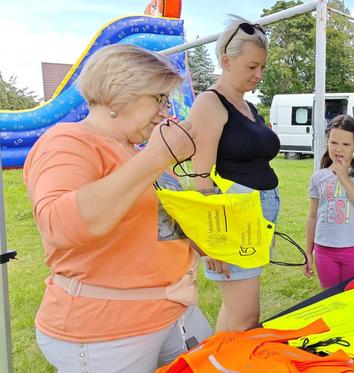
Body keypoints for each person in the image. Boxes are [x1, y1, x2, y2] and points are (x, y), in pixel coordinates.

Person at [23, 44, 211, 372]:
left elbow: (153, 221)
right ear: (116, 94)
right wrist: (158, 157)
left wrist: (204, 241)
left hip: (173, 312)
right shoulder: (68, 142)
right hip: (107, 331)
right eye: (159, 99)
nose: (166, 112)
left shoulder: (137, 151)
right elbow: (58, 225)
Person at [188, 16, 280, 332]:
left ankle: (216, 364)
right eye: (252, 67)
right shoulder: (210, 104)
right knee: (246, 318)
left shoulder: (248, 107)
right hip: (232, 222)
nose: (259, 75)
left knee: (234, 313)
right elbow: (201, 179)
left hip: (255, 217)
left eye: (262, 68)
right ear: (227, 61)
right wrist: (212, 243)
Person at [304, 115, 354, 289]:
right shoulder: (318, 177)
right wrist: (308, 251)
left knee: (352, 298)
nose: (339, 149)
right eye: (333, 143)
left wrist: (344, 178)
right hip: (323, 251)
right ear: (326, 142)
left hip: (353, 249)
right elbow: (312, 217)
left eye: (346, 144)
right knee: (330, 299)